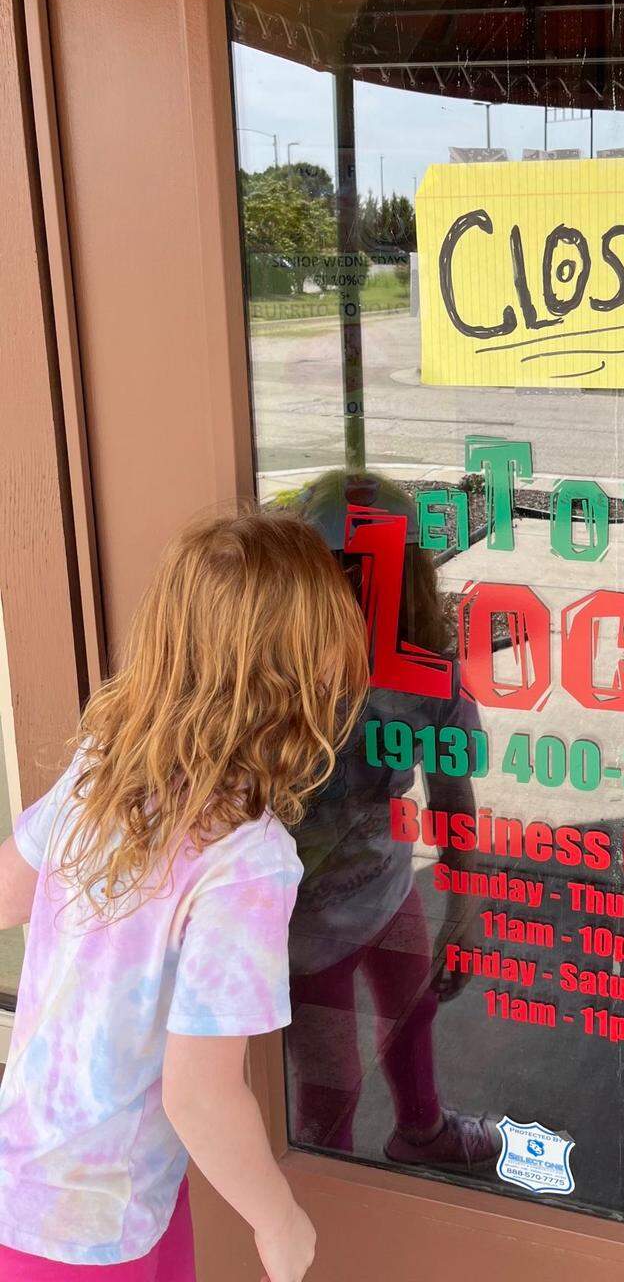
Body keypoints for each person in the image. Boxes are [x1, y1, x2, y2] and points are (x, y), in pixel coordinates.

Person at [0, 510, 372, 1279]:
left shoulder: (104, 770)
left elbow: (8, 888)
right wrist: (278, 1222)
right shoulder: (245, 863)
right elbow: (200, 1097)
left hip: (35, 1183)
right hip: (93, 1231)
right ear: (310, 676)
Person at [280, 470, 499, 1171]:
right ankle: (329, 1186)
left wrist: (466, 903)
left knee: (414, 1014)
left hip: (385, 887)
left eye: (371, 572)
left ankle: (423, 1131)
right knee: (331, 1082)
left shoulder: (426, 676)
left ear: (407, 578)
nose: (353, 591)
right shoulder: (273, 678)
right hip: (295, 929)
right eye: (337, 572)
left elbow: (452, 794)